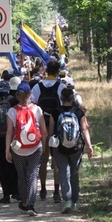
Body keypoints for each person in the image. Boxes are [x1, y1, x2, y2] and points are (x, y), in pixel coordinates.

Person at [5, 81, 47, 216]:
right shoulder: (37, 109)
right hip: (36, 147)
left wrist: (7, 150)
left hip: (18, 148)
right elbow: (44, 131)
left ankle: (24, 202)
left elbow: (9, 132)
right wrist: (44, 146)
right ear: (30, 94)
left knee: (22, 176)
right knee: (33, 175)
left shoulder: (12, 111)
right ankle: (30, 204)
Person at [51, 87, 93, 213]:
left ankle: (67, 200)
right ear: (73, 98)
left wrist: (50, 150)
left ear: (61, 98)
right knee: (74, 173)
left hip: (59, 147)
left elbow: (50, 132)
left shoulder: (55, 112)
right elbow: (84, 129)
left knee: (63, 172)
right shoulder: (79, 112)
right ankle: (75, 201)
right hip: (76, 147)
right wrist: (89, 146)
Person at [31, 59, 66, 202]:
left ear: (46, 71)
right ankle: (56, 191)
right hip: (57, 128)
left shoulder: (37, 87)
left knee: (43, 161)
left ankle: (43, 188)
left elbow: (33, 106)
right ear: (58, 72)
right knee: (57, 161)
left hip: (42, 128)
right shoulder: (61, 87)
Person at [0, 76, 19, 203]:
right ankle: (16, 191)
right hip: (13, 137)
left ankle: (6, 194)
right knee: (13, 165)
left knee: (2, 167)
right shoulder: (14, 101)